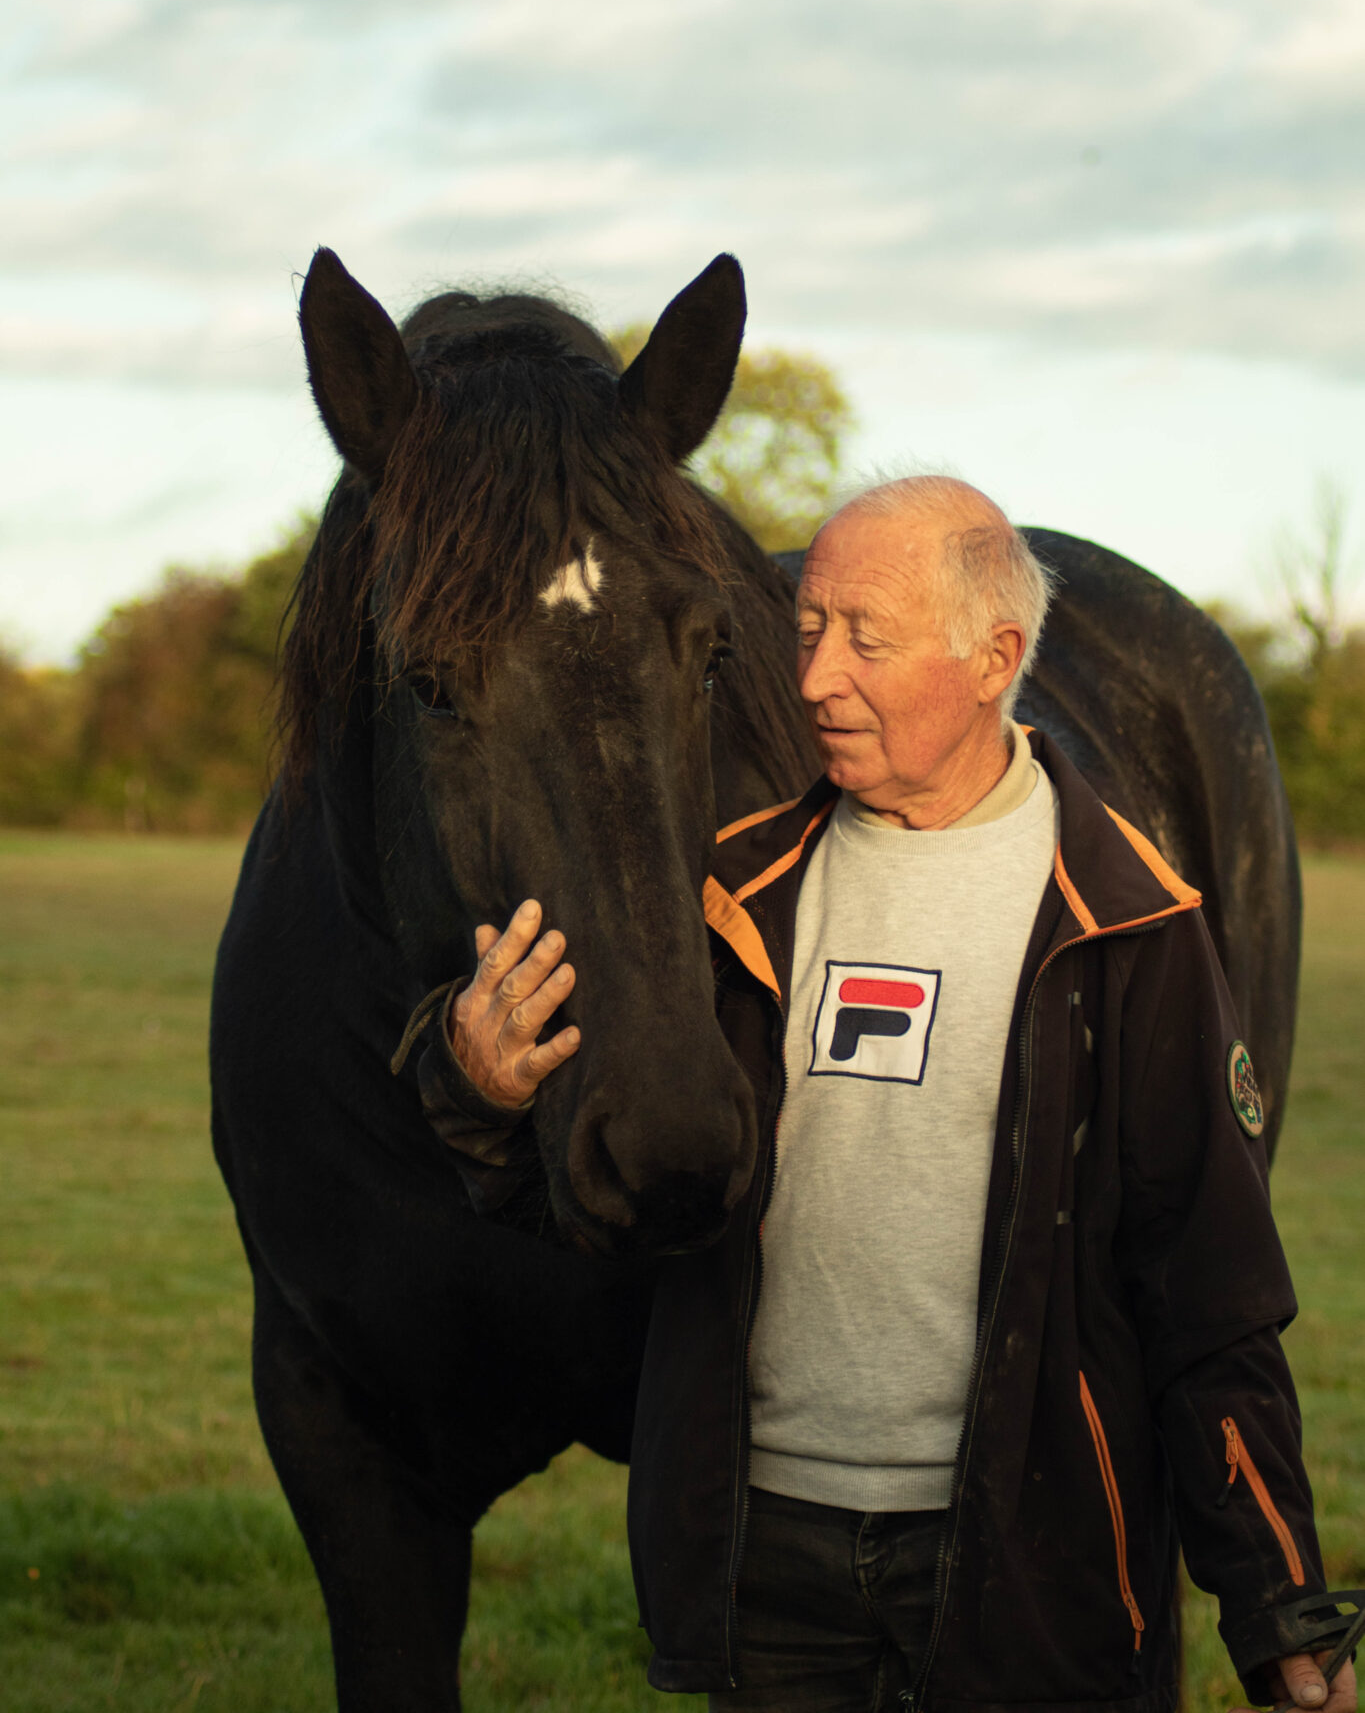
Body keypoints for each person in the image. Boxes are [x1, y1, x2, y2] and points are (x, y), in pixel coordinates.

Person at [419, 475, 1358, 1713]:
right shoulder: (730, 903)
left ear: (994, 659)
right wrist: (476, 1086)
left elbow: (1211, 1291)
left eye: (865, 637)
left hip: (1029, 1564)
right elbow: (608, 1211)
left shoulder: (1131, 921)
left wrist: (1282, 1613)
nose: (813, 679)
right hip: (774, 1567)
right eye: (806, 630)